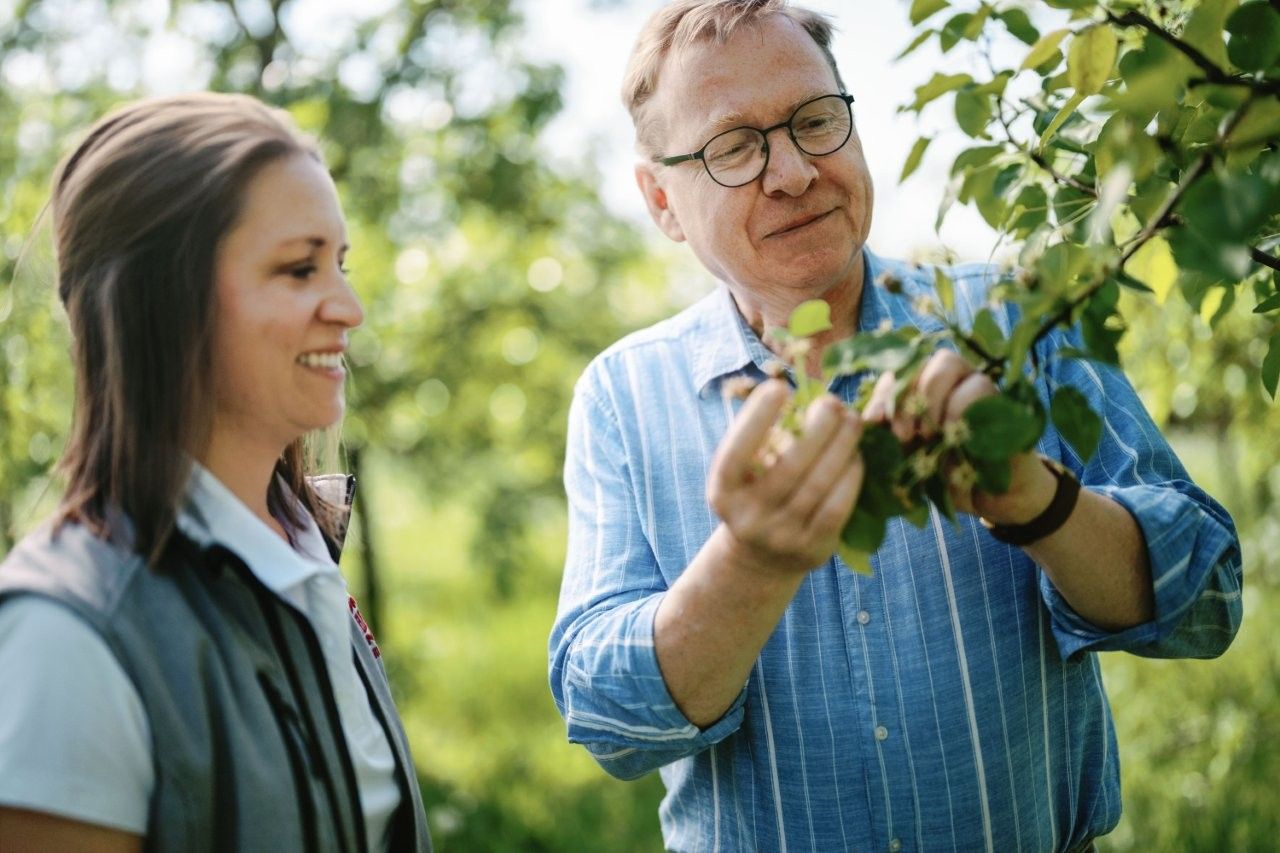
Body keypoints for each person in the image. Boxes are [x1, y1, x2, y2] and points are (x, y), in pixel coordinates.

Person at [547, 1, 1243, 849]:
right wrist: (753, 563)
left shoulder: (1015, 320)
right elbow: (606, 721)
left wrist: (1036, 498)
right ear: (661, 198)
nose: (795, 172)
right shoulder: (624, 395)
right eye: (735, 146)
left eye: (814, 120)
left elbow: (1207, 597)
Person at [0, 93, 431, 852]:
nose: (350, 307)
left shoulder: (302, 554)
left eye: (341, 264)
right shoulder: (64, 641)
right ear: (162, 301)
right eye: (299, 269)